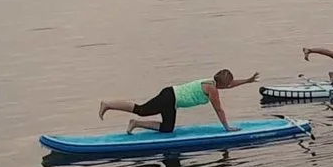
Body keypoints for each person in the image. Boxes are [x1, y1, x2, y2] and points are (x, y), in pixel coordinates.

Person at [97, 68, 256, 133]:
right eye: (227, 85)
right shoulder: (212, 90)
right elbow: (219, 110)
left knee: (152, 117)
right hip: (170, 99)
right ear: (221, 84)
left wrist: (247, 81)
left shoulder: (211, 82)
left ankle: (135, 123)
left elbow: (230, 85)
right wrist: (227, 127)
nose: (229, 87)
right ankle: (109, 105)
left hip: (170, 96)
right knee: (144, 111)